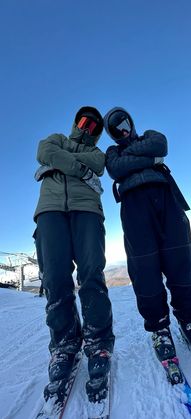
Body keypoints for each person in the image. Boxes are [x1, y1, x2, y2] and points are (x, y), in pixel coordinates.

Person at [104, 107, 191, 363]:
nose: (122, 128)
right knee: (144, 267)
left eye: (124, 122)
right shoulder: (112, 152)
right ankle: (159, 327)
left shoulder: (150, 137)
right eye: (115, 127)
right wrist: (150, 160)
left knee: (181, 259)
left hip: (166, 198)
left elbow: (161, 144)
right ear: (111, 134)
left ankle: (190, 321)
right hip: (134, 207)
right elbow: (116, 169)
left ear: (130, 121)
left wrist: (138, 155)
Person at [33, 106, 115, 402]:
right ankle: (65, 346)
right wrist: (78, 167)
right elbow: (44, 152)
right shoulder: (55, 139)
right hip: (50, 212)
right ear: (75, 122)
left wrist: (62, 163)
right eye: (84, 122)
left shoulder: (99, 154)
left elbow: (97, 163)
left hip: (87, 211)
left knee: (92, 274)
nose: (88, 128)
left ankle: (98, 342)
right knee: (55, 279)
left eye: (95, 127)